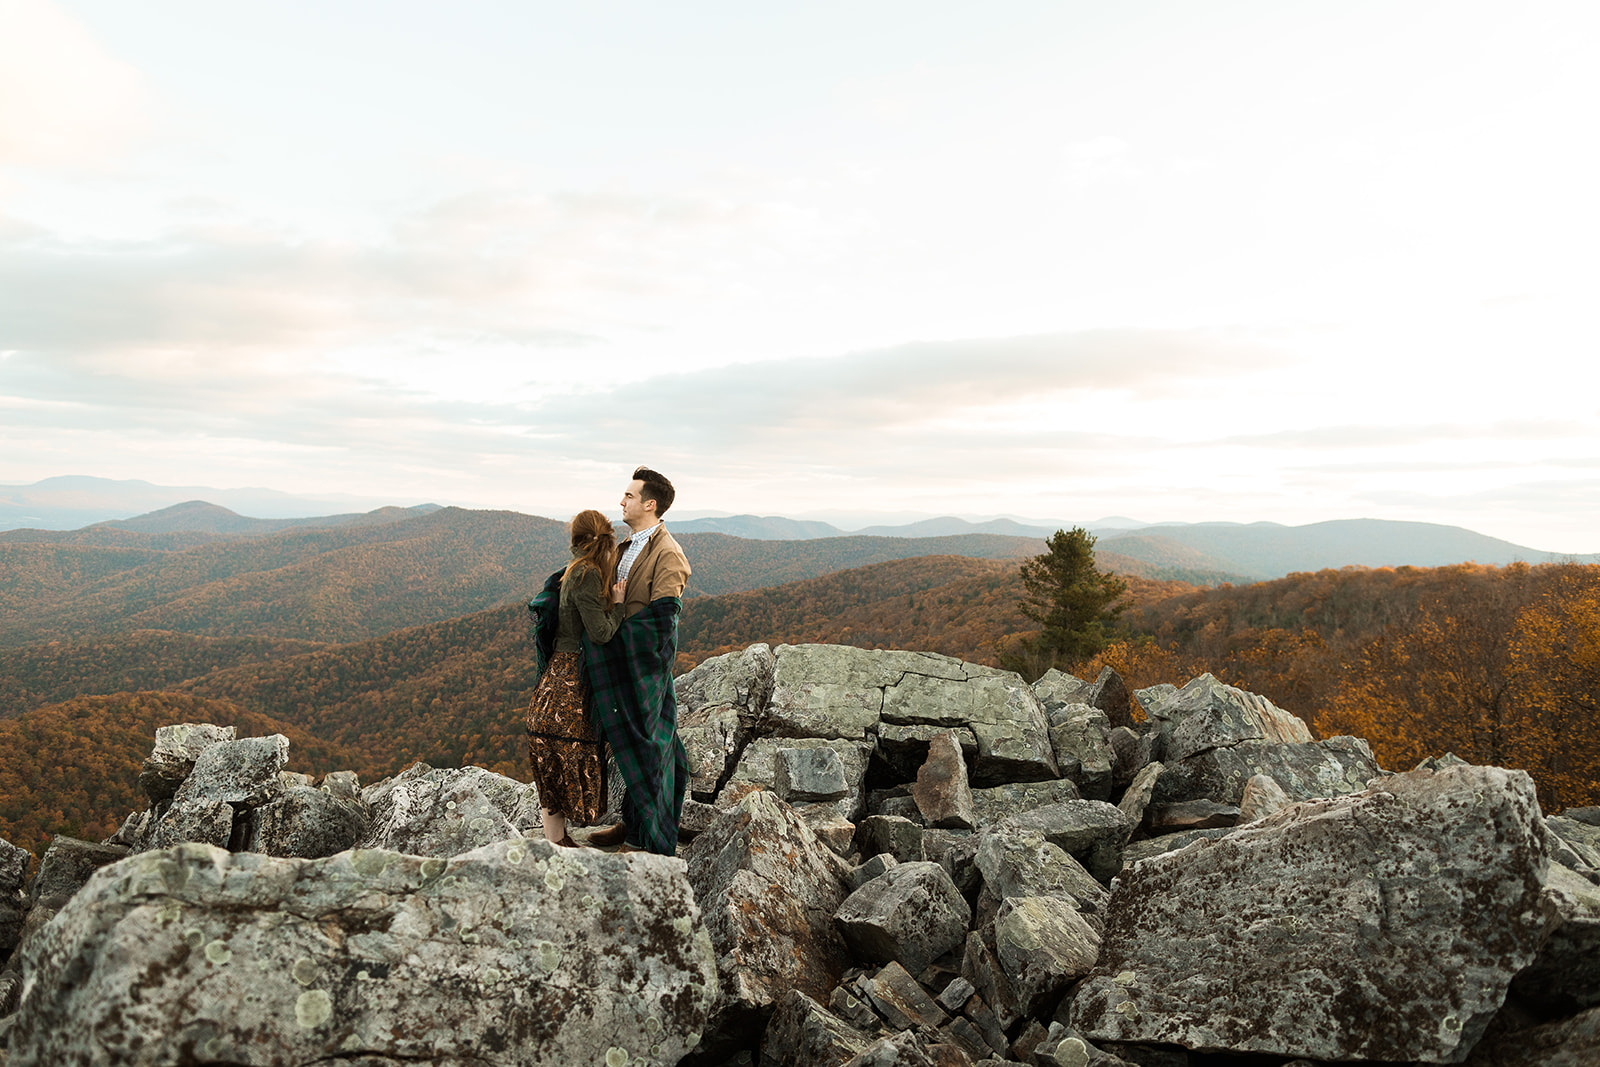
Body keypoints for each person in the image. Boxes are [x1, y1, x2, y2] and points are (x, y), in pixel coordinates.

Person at [582, 466, 692, 854]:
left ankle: (649, 840)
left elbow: (662, 621)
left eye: (629, 496)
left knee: (651, 749)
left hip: (644, 666)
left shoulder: (669, 554)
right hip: (621, 663)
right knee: (632, 746)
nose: (622, 501)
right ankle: (632, 826)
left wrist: (614, 640)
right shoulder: (627, 547)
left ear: (650, 504)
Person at [524, 509, 620, 847]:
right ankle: (558, 842)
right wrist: (619, 604)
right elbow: (601, 632)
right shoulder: (589, 574)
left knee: (550, 752)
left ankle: (556, 838)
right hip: (571, 680)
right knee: (567, 749)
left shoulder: (570, 571)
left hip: (553, 681)